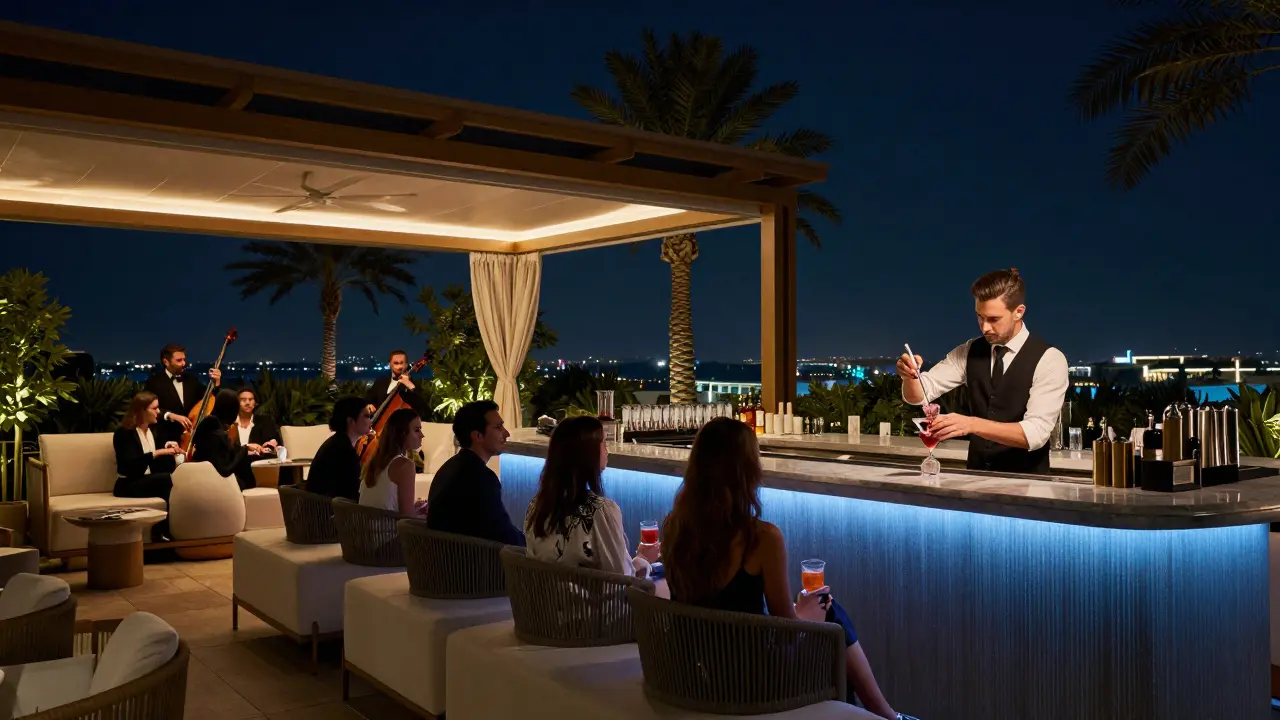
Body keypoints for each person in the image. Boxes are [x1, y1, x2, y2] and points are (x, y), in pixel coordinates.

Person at [663, 418, 897, 720]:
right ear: (746, 470)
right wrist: (803, 613)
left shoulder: (674, 528)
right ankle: (886, 715)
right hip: (755, 685)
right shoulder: (761, 539)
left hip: (696, 674)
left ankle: (884, 714)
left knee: (826, 614)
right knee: (831, 613)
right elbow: (787, 633)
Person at [896, 267, 1069, 475]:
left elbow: (1036, 434)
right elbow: (920, 395)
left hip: (1028, 487)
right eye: (980, 317)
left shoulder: (1050, 359)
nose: (984, 327)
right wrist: (910, 376)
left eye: (993, 319)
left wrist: (972, 424)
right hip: (976, 479)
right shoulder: (969, 351)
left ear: (1019, 311)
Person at [524, 416, 659, 577]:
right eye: (604, 444)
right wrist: (644, 560)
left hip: (545, 600)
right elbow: (621, 580)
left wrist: (636, 561)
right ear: (589, 453)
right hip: (588, 602)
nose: (607, 451)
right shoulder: (601, 511)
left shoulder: (536, 506)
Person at [425, 400, 524, 546]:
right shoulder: (481, 478)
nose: (506, 433)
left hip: (441, 560)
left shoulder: (448, 467)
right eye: (498, 427)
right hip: (473, 563)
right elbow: (504, 534)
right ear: (477, 436)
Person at [113, 392, 181, 542]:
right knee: (165, 480)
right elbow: (128, 467)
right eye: (154, 408)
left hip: (146, 480)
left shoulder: (152, 431)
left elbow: (156, 455)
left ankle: (165, 532)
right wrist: (156, 453)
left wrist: (167, 446)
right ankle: (162, 532)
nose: (158, 412)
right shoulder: (125, 433)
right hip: (128, 483)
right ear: (142, 410)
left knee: (173, 480)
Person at [359, 407, 427, 516]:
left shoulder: (375, 462)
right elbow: (407, 518)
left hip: (366, 531)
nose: (422, 435)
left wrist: (416, 510)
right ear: (402, 433)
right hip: (388, 532)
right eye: (416, 430)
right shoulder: (404, 465)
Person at [143, 343, 221, 436]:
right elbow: (146, 408)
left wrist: (216, 382)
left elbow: (210, 397)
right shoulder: (153, 383)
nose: (184, 363)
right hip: (165, 437)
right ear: (166, 362)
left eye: (184, 359)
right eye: (179, 360)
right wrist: (170, 415)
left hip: (191, 436)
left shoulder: (192, 380)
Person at [191, 389, 259, 491]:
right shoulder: (217, 434)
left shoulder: (207, 425)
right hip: (217, 487)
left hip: (200, 481)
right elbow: (225, 470)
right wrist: (244, 450)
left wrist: (245, 448)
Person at [305, 396, 372, 500]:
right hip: (329, 513)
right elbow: (352, 494)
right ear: (351, 421)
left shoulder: (335, 443)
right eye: (367, 416)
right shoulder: (345, 452)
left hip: (318, 510)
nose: (370, 421)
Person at [365, 349, 429, 417]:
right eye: (396, 363)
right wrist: (368, 406)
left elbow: (423, 408)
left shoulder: (412, 384)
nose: (399, 367)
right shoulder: (381, 381)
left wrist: (409, 385)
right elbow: (368, 400)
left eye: (402, 363)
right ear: (390, 364)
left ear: (406, 364)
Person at [228, 387, 280, 457]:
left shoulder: (264, 421)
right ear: (236, 403)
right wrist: (246, 448)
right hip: (234, 463)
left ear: (255, 403)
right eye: (243, 400)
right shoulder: (229, 423)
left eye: (250, 399)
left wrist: (271, 443)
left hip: (257, 461)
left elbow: (272, 439)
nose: (247, 402)